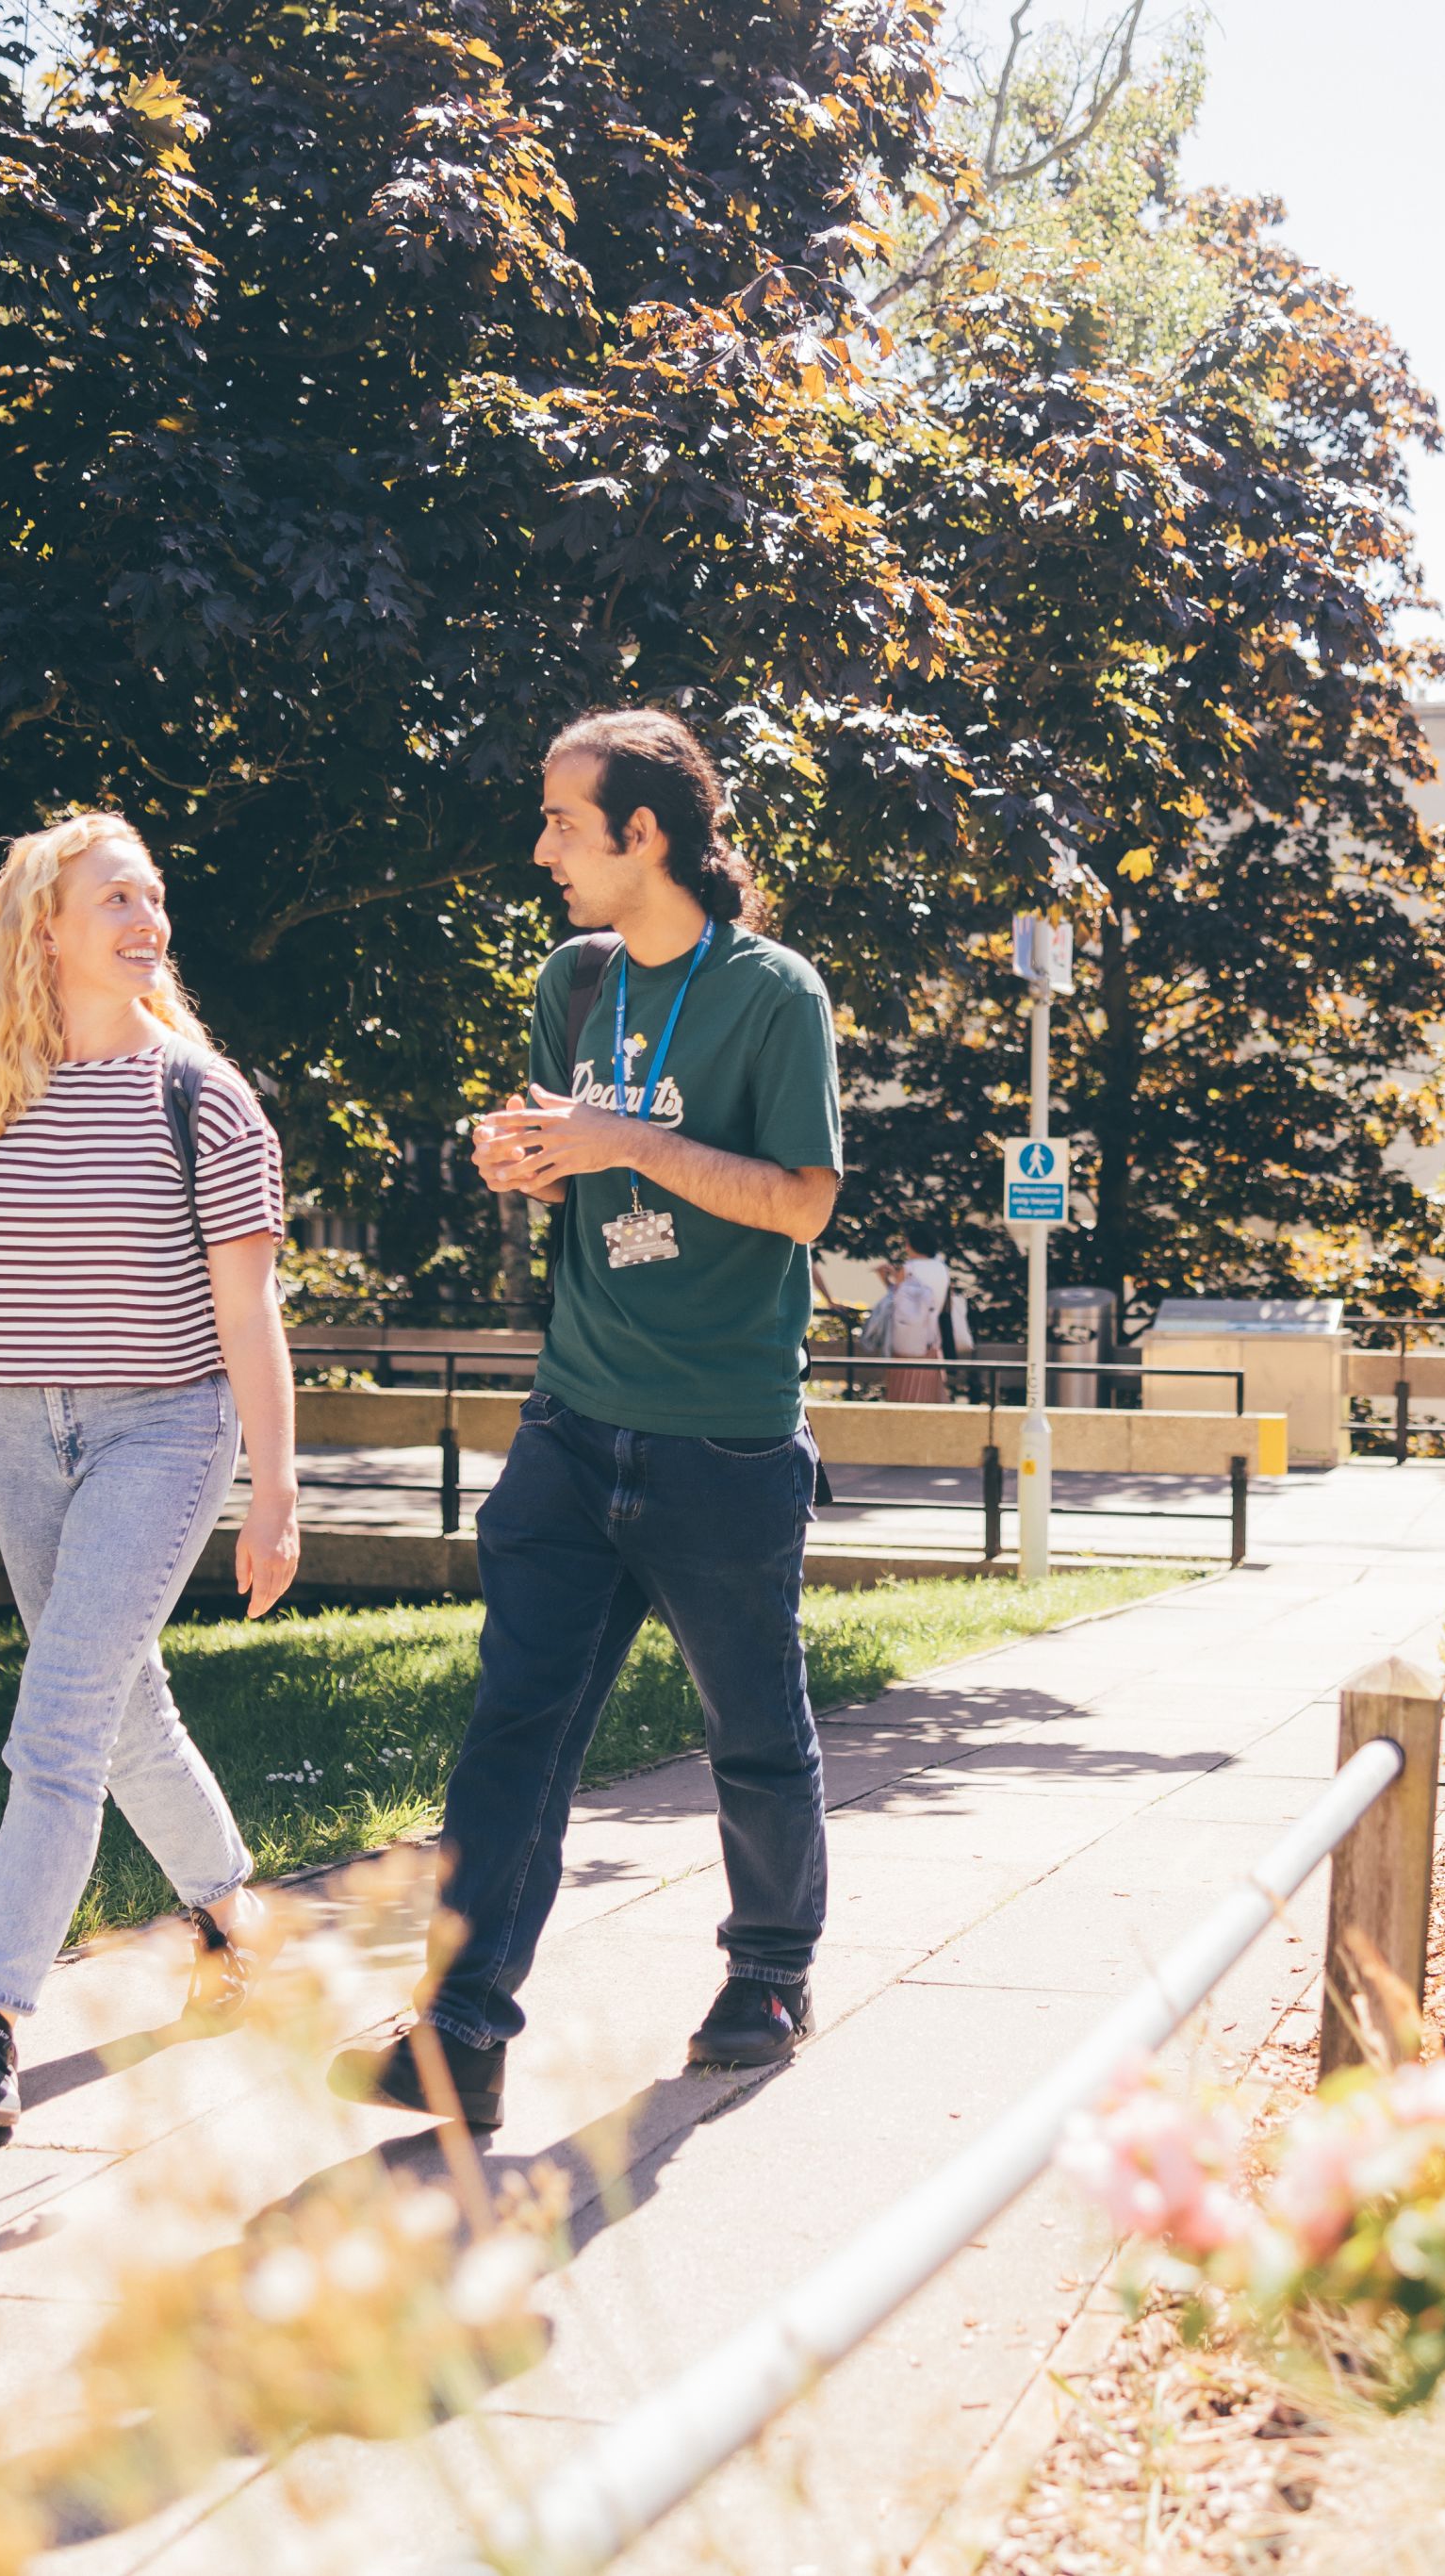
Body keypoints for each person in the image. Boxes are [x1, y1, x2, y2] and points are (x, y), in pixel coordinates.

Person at [331, 708, 843, 2132]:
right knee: (516, 1728)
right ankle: (463, 2029)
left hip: (723, 1437)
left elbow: (802, 1201)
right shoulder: (578, 979)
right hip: (573, 1419)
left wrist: (627, 1142)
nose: (541, 846)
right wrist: (538, 1159)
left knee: (754, 1732)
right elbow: (581, 1163)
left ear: (646, 834)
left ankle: (771, 1973)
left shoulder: (773, 994)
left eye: (563, 821)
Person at [0, 812, 304, 2135]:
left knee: (58, 1720)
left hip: (163, 1431)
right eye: (116, 898)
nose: (145, 919)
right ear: (42, 925)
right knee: (120, 1709)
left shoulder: (201, 1098)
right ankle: (233, 1917)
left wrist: (274, 1493)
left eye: (153, 897)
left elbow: (248, 1312)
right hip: (21, 1434)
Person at [878, 1231, 949, 1405]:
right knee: (927, 1391)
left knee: (903, 1390)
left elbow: (897, 1301)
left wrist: (885, 1279)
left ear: (911, 1245)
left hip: (906, 1338)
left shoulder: (909, 1268)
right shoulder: (941, 1268)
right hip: (932, 1338)